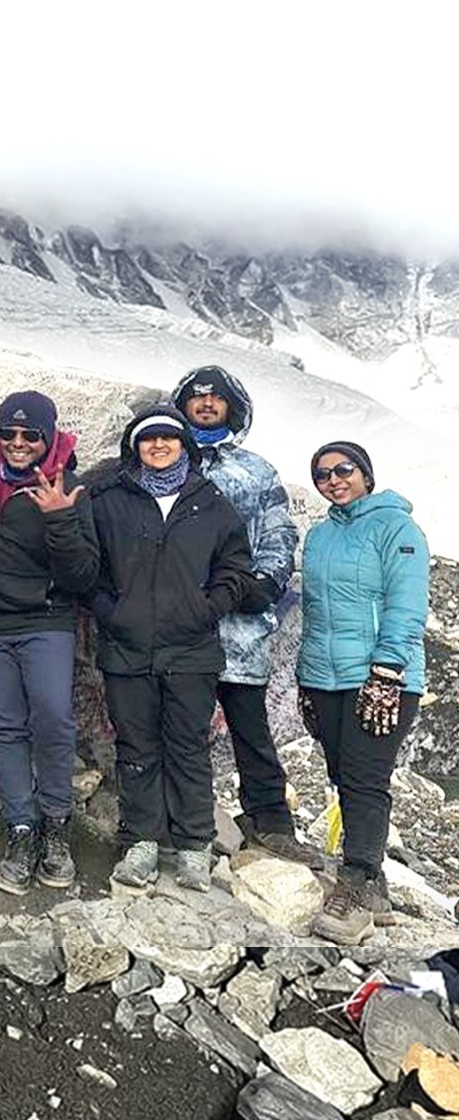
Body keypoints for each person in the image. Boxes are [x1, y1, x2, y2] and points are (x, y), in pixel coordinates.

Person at [64, 406, 262, 892]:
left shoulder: (210, 503)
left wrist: (208, 607)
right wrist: (112, 611)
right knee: (135, 747)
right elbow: (89, 570)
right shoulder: (108, 500)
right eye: (147, 438)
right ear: (134, 447)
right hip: (127, 647)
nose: (157, 445)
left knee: (189, 747)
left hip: (192, 649)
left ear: (184, 446)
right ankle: (141, 842)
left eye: (167, 438)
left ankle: (195, 845)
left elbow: (235, 567)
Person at [171, 366, 312, 862]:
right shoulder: (166, 461)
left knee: (249, 725)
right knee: (180, 726)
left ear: (233, 406)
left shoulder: (256, 471)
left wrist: (265, 585)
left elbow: (278, 533)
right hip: (175, 626)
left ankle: (270, 819)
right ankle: (184, 819)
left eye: (217, 398)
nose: (207, 404)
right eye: (197, 397)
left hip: (240, 628)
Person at [0, 391, 96, 895]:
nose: (18, 444)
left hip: (44, 621)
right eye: (8, 434)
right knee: (5, 726)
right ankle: (22, 827)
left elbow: (85, 575)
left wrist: (59, 518)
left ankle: (56, 823)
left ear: (49, 437)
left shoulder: (71, 488)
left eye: (30, 435)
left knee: (54, 718)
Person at [298, 441, 428, 944]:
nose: (334, 480)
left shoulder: (397, 526)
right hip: (326, 677)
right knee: (341, 774)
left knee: (366, 777)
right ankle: (374, 889)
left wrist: (387, 671)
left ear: (365, 475)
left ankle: (355, 885)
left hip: (380, 676)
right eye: (323, 474)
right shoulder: (320, 535)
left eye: (343, 470)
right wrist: (306, 676)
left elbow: (408, 602)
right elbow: (314, 611)